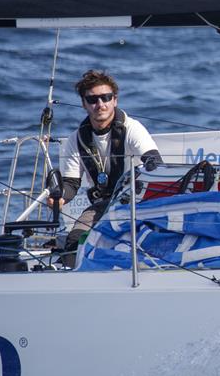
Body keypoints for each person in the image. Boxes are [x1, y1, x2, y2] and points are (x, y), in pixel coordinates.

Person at [51, 70, 162, 267]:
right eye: (92, 99)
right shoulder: (75, 140)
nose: (100, 104)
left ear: (115, 100)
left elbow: (154, 161)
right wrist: (59, 197)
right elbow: (71, 183)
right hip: (102, 205)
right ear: (84, 103)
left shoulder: (132, 128)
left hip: (136, 202)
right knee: (73, 244)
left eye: (106, 97)